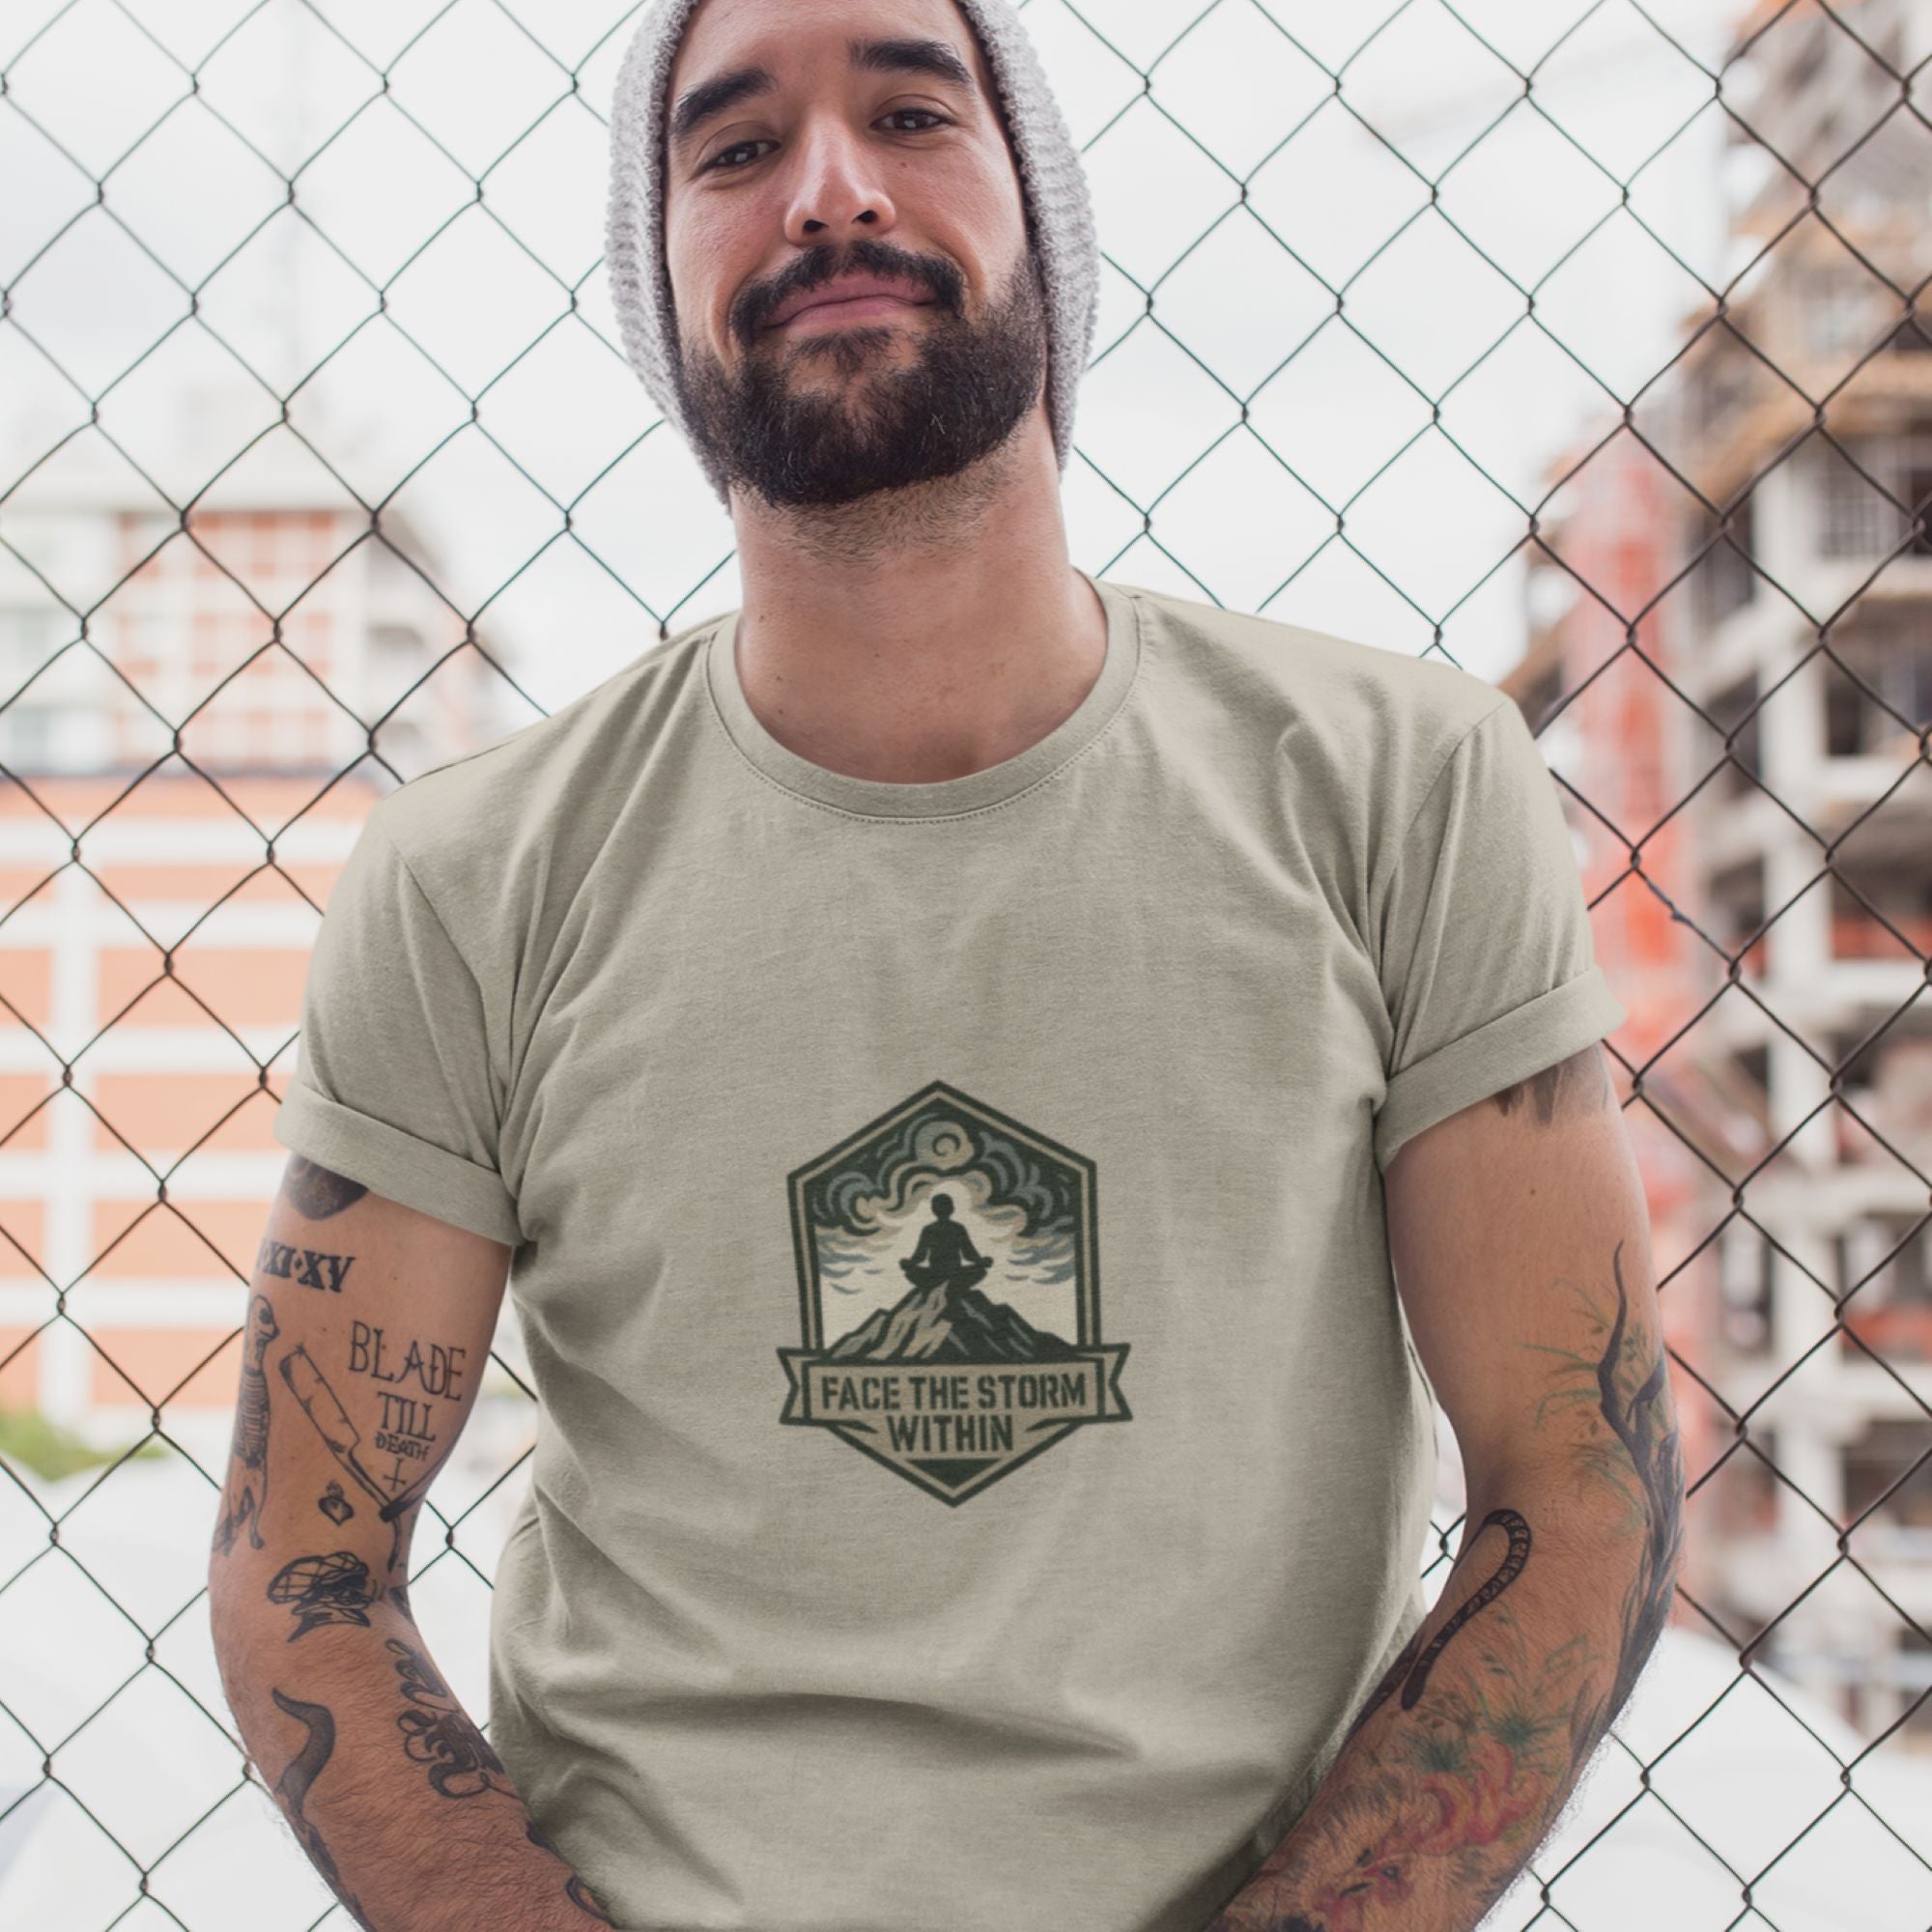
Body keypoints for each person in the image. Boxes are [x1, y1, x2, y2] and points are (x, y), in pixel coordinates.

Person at [207, 0, 1686, 1926]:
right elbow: (300, 1569)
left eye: (910, 110)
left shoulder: (1398, 783)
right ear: (663, 282)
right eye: (730, 150)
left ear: (1039, 221)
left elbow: (1575, 1492)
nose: (827, 189)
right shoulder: (469, 874)